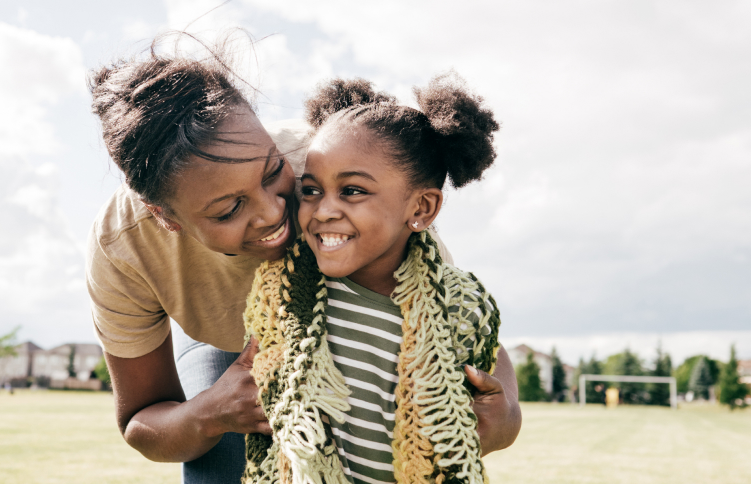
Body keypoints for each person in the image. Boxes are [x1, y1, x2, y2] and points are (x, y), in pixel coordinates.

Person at [86, 38, 521, 484]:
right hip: (224, 347)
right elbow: (142, 422)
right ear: (167, 218)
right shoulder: (124, 245)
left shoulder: (332, 167)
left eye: (273, 173)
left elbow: (448, 318)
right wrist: (209, 414)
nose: (275, 212)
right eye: (228, 210)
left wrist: (506, 411)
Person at [242, 75, 509, 484]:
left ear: (421, 207)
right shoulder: (288, 295)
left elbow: (494, 360)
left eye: (351, 190)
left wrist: (509, 415)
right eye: (311, 191)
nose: (324, 210)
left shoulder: (452, 302)